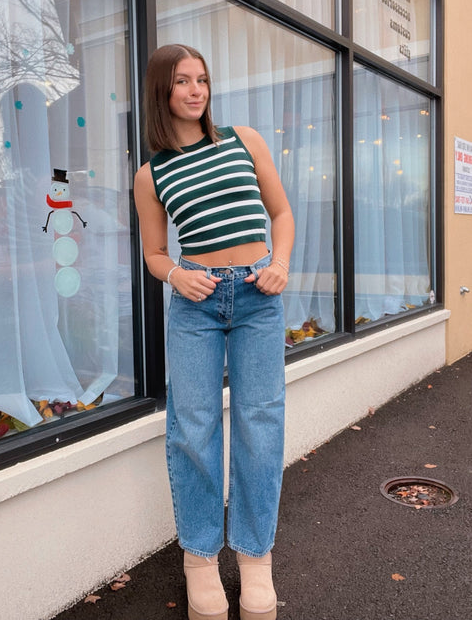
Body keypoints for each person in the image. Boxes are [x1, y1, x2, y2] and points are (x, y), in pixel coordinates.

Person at [134, 44, 295, 620]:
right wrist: (177, 273)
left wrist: (279, 263)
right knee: (193, 428)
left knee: (259, 423)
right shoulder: (150, 175)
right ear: (163, 91)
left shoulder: (244, 140)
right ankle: (200, 558)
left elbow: (281, 213)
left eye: (202, 78)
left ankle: (255, 559)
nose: (196, 90)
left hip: (258, 296)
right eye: (182, 81)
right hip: (195, 303)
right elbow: (154, 252)